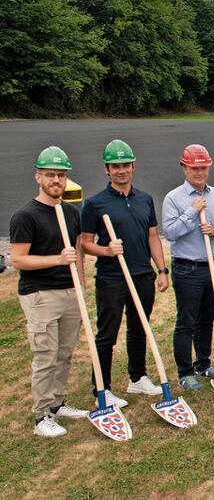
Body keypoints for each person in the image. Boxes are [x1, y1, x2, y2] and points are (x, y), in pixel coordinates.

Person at [80, 140, 170, 406]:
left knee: (139, 327)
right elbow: (85, 243)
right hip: (111, 277)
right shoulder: (95, 204)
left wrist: (161, 270)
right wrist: (106, 251)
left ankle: (137, 378)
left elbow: (153, 236)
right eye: (115, 166)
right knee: (107, 333)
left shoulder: (144, 199)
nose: (121, 171)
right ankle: (102, 389)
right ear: (107, 169)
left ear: (133, 167)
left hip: (142, 273)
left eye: (125, 165)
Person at [10, 147, 89, 437]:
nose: (56, 180)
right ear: (38, 177)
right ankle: (41, 416)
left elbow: (78, 252)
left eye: (61, 175)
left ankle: (57, 404)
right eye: (50, 175)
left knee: (65, 353)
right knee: (46, 354)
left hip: (70, 292)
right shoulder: (25, 216)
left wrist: (81, 286)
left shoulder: (70, 212)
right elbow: (17, 259)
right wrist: (57, 259)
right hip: (40, 294)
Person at [162, 144, 214, 388]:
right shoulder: (173, 198)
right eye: (194, 168)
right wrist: (192, 213)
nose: (199, 172)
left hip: (212, 265)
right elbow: (170, 233)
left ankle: (203, 365)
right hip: (186, 268)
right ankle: (185, 372)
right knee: (186, 321)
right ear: (184, 168)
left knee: (206, 319)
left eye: (203, 167)